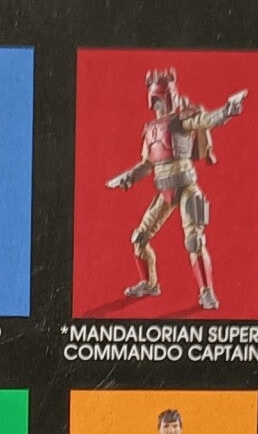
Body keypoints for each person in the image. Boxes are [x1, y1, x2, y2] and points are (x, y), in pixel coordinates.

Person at [104, 65, 247, 311]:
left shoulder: (182, 119)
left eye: (162, 97)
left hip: (186, 188)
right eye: (156, 98)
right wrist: (127, 177)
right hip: (163, 191)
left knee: (194, 241)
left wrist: (227, 110)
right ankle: (149, 283)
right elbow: (147, 164)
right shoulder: (150, 129)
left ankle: (207, 292)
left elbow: (205, 120)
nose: (159, 102)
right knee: (139, 239)